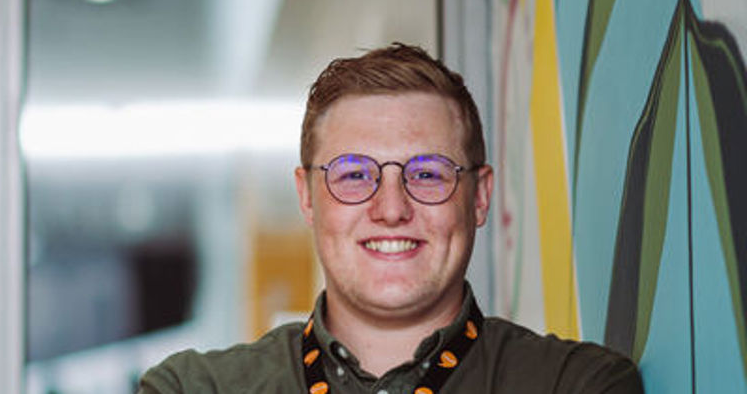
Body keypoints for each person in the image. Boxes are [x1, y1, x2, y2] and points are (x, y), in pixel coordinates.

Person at [137, 43, 642, 394]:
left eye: (427, 174)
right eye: (354, 175)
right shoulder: (193, 388)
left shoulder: (575, 384)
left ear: (481, 195)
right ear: (307, 197)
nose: (392, 208)